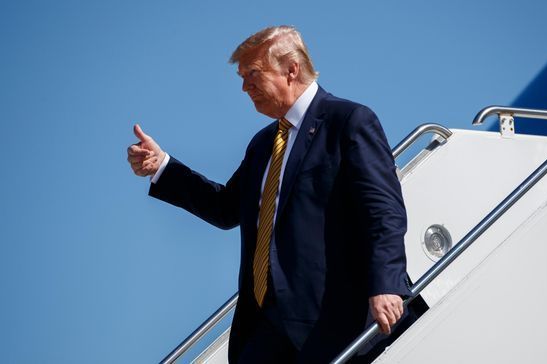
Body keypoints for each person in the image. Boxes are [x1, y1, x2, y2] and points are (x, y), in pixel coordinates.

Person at [127, 25, 416, 363]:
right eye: (241, 77)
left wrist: (387, 283)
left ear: (291, 69)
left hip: (330, 316)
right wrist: (162, 166)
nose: (244, 86)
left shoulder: (348, 121)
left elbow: (384, 211)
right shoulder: (263, 144)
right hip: (264, 324)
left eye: (252, 74)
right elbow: (225, 208)